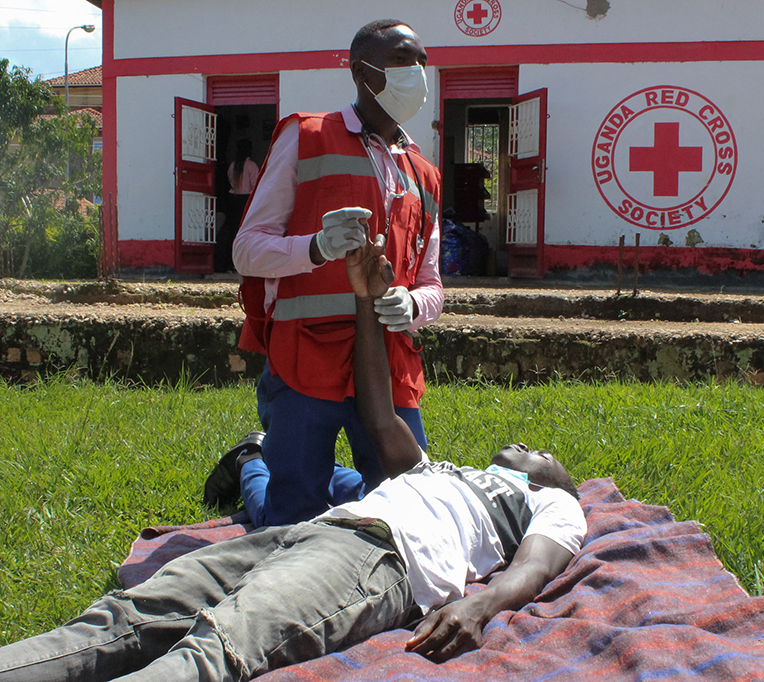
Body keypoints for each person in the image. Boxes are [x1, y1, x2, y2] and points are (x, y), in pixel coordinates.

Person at [0, 237, 586, 682]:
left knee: (219, 645)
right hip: (310, 533)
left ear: (554, 482)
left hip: (381, 562)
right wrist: (366, 300)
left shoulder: (552, 505)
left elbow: (533, 570)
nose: (529, 447)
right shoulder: (441, 472)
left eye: (542, 454)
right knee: (126, 616)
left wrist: (480, 607)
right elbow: (379, 413)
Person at [216, 19, 445, 528]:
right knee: (289, 517)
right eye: (404, 62)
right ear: (362, 72)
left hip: (387, 364)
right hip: (306, 359)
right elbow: (247, 250)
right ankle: (252, 465)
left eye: (422, 63)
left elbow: (431, 283)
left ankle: (268, 462)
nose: (419, 74)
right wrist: (315, 247)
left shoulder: (424, 172)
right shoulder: (307, 136)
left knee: (407, 511)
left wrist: (413, 305)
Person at [216, 138, 260, 272]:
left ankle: (228, 263)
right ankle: (242, 263)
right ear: (249, 150)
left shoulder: (233, 165)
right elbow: (255, 186)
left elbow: (231, 181)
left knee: (233, 233)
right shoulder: (252, 165)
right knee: (246, 232)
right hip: (246, 200)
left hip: (233, 200)